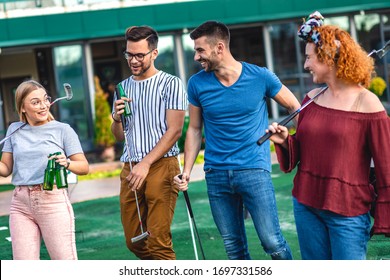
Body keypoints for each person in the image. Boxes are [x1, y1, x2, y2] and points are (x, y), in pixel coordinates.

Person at [267, 11, 390, 260]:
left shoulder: (368, 103)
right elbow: (304, 150)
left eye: (310, 58)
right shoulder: (311, 99)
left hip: (348, 212)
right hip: (305, 204)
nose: (305, 65)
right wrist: (284, 140)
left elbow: (386, 166)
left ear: (329, 59)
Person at [174, 20, 300, 260]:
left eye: (200, 50)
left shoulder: (260, 76)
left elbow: (296, 108)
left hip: (254, 171)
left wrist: (297, 142)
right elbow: (194, 129)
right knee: (234, 248)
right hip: (217, 174)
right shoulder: (196, 84)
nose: (196, 57)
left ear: (219, 47)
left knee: (272, 242)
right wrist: (187, 170)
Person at [111, 26, 187, 260]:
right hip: (130, 168)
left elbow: (175, 131)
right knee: (134, 240)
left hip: (161, 166)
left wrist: (145, 163)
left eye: (139, 55)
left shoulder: (171, 83)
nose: (133, 60)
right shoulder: (121, 88)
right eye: (129, 54)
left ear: (154, 53)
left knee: (158, 241)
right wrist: (115, 117)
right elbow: (119, 135)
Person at [0, 80, 89, 260]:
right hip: (20, 204)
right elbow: (5, 168)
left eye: (45, 99)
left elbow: (84, 167)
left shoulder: (63, 130)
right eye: (35, 102)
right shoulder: (14, 129)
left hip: (52, 201)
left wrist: (67, 162)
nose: (43, 106)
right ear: (22, 107)